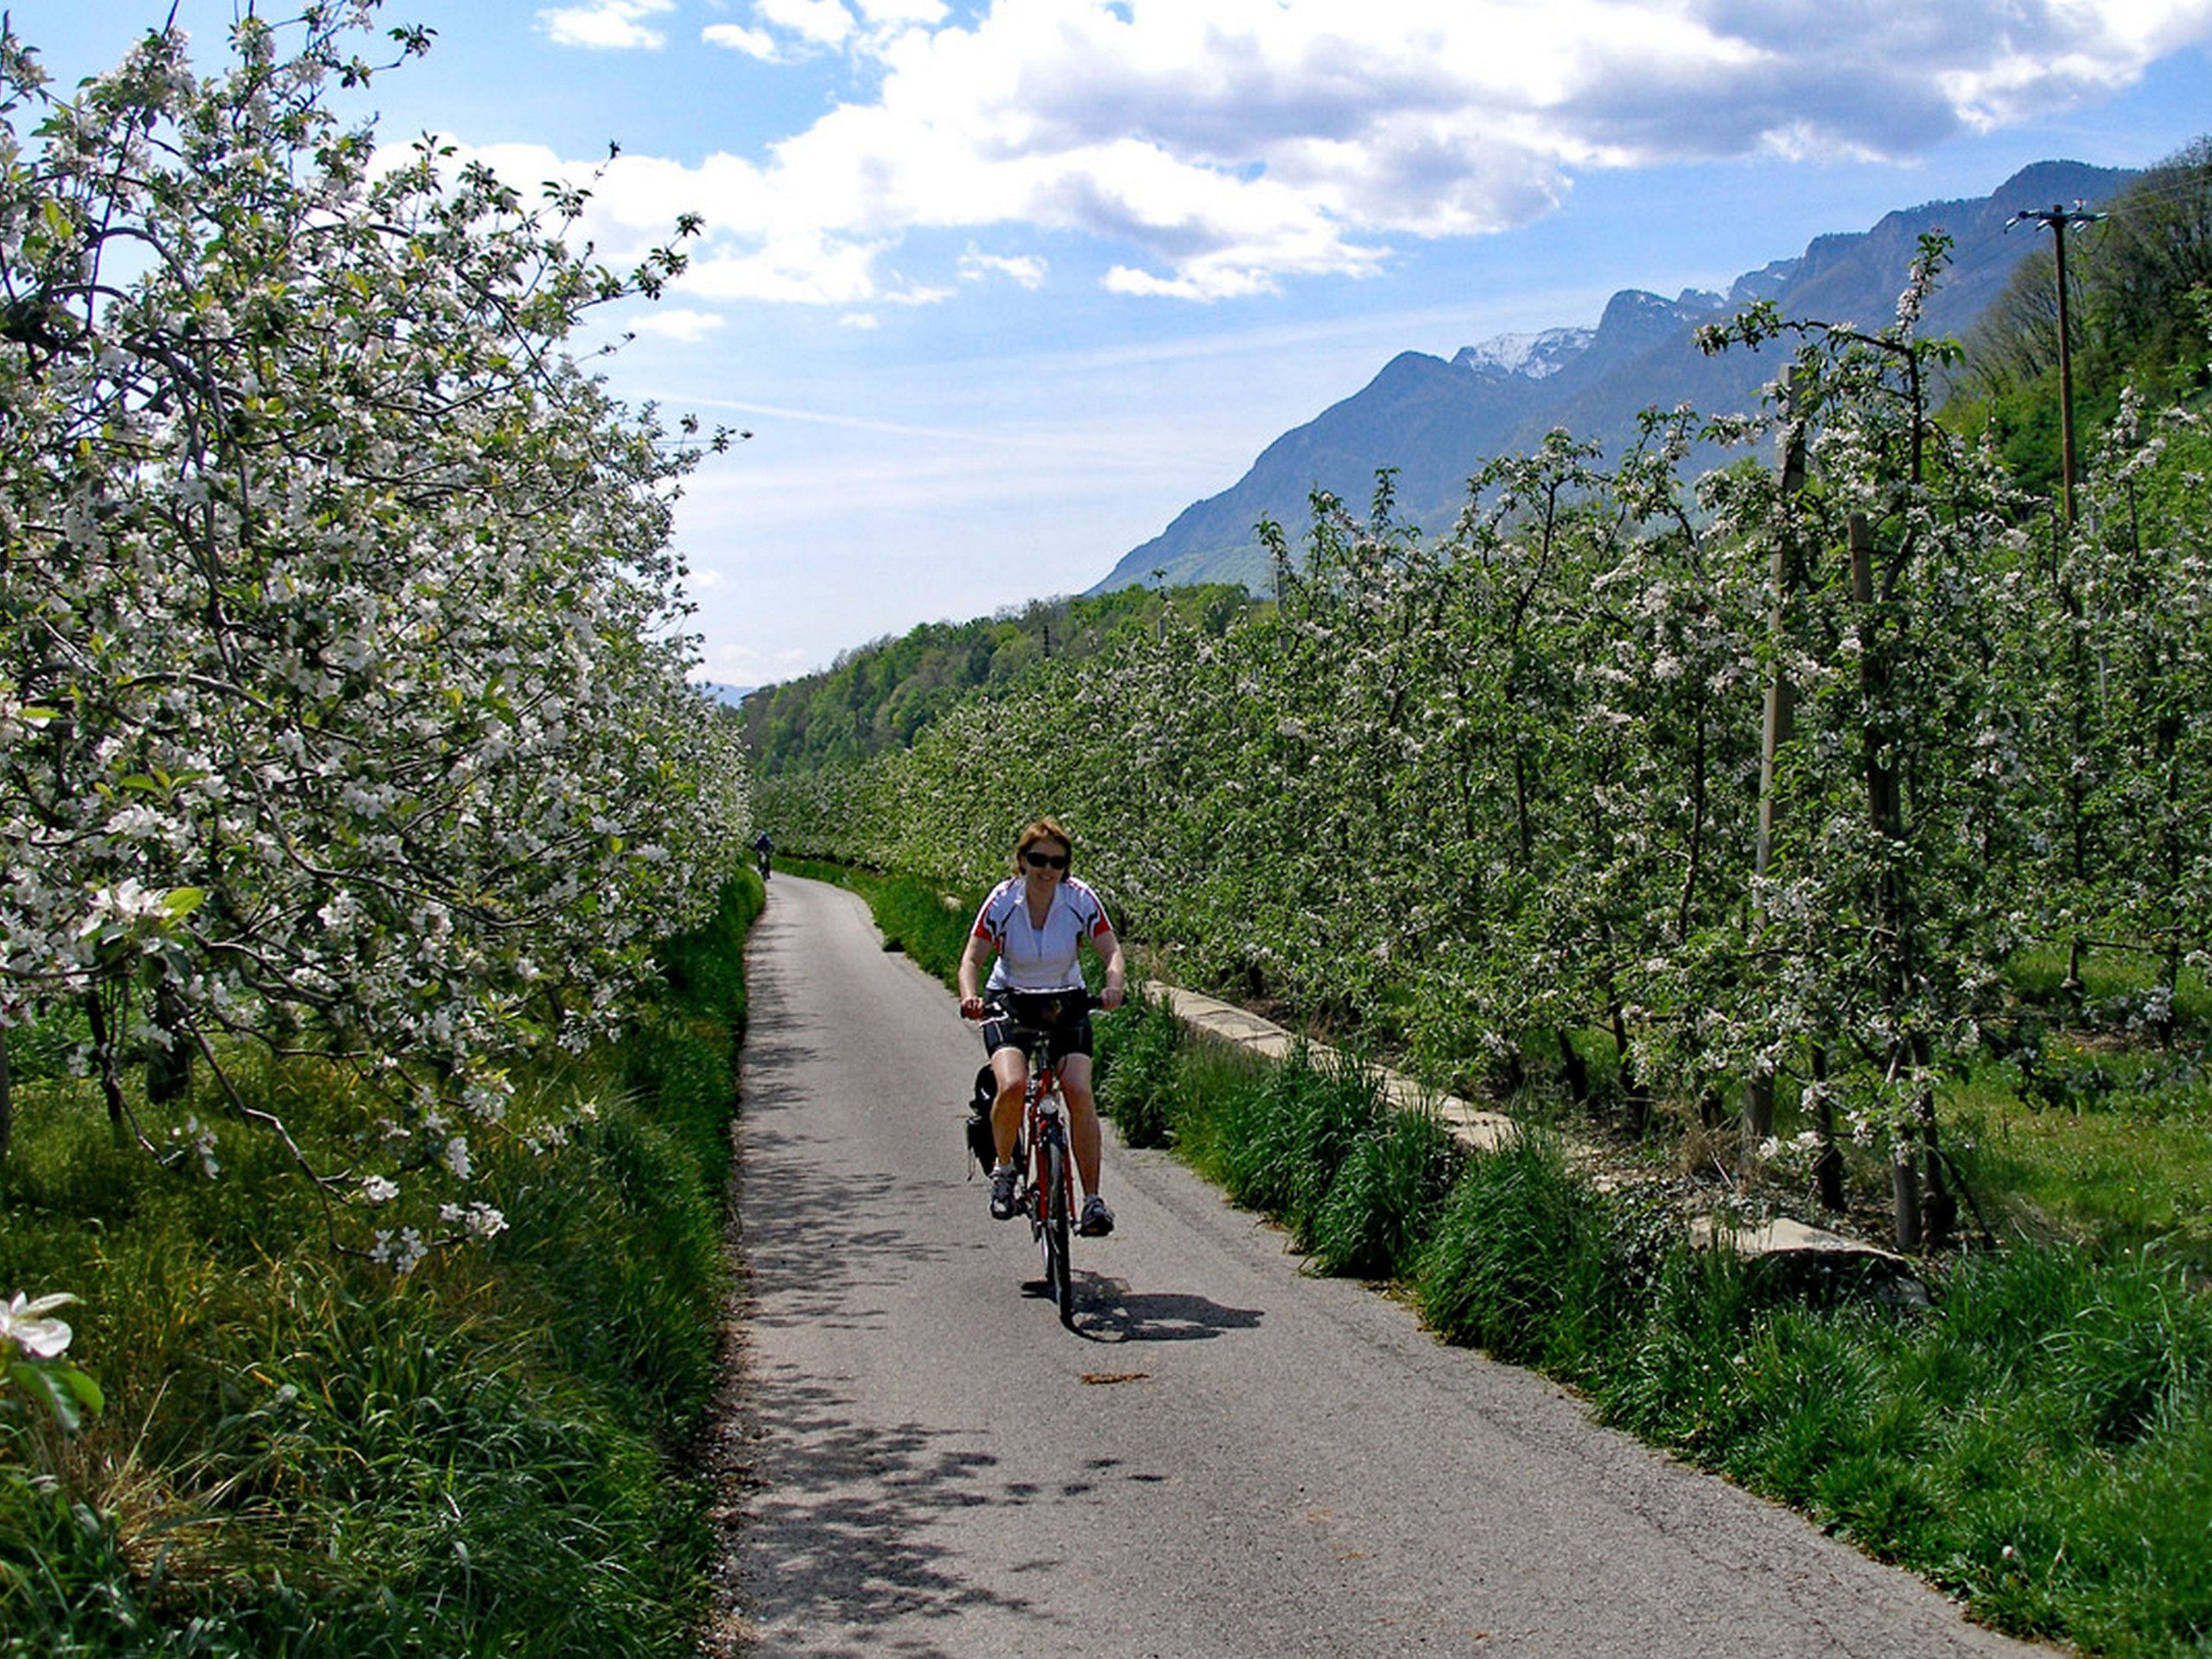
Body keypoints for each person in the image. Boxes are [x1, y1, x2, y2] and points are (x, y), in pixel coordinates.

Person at [957, 817, 1128, 1236]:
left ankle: (1091, 1202)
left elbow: (1111, 950)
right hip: (1010, 999)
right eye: (1038, 859)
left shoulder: (1080, 898)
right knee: (1013, 1085)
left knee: (1078, 1090)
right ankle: (1004, 1172)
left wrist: (1113, 986)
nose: (1047, 869)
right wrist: (970, 996)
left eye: (1057, 861)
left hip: (1065, 999)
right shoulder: (1002, 901)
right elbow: (972, 959)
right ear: (1022, 860)